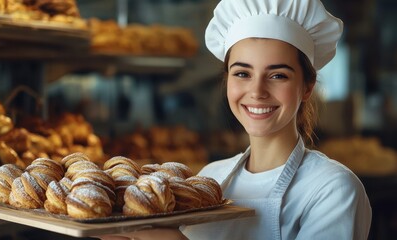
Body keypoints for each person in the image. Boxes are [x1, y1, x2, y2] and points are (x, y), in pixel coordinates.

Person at [98, 0, 372, 239]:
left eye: (278, 75)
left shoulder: (332, 189)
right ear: (227, 79)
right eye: (242, 73)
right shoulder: (211, 179)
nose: (257, 92)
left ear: (307, 86)